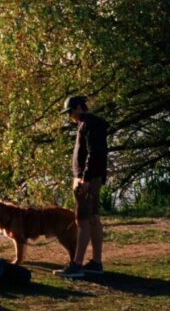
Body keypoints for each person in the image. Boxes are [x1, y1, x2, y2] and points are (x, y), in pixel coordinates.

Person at [55, 95, 109, 278]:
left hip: (86, 179)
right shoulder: (91, 124)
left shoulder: (88, 124)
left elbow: (94, 154)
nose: (69, 115)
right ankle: (96, 262)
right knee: (93, 218)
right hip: (93, 177)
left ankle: (77, 265)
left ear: (78, 108)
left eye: (70, 111)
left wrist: (84, 179)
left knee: (83, 220)